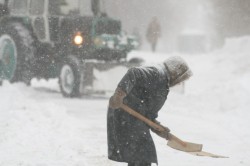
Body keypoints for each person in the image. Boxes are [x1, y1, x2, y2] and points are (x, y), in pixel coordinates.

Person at [107, 56, 193, 166]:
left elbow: (148, 112)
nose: (179, 83)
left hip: (134, 119)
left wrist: (158, 127)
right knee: (142, 154)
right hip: (126, 115)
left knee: (141, 156)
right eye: (181, 78)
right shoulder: (157, 73)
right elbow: (133, 73)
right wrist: (119, 94)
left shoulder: (163, 82)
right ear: (175, 73)